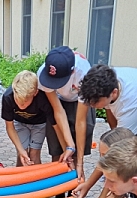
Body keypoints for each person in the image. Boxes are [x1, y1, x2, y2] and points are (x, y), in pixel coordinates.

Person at [37, 46, 95, 180]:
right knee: (58, 152)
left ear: (72, 72)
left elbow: (81, 121)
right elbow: (58, 110)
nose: (55, 84)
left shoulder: (84, 73)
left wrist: (79, 163)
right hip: (59, 102)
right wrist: (69, 146)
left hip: (79, 102)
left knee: (77, 153)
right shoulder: (43, 74)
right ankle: (58, 188)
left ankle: (76, 183)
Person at [1, 70, 54, 166]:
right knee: (22, 155)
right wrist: (21, 151)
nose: (21, 105)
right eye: (17, 99)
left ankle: (37, 176)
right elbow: (9, 126)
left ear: (35, 93)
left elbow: (55, 123)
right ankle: (20, 175)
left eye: (25, 101)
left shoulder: (43, 98)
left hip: (39, 124)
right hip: (19, 123)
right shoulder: (8, 97)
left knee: (34, 154)